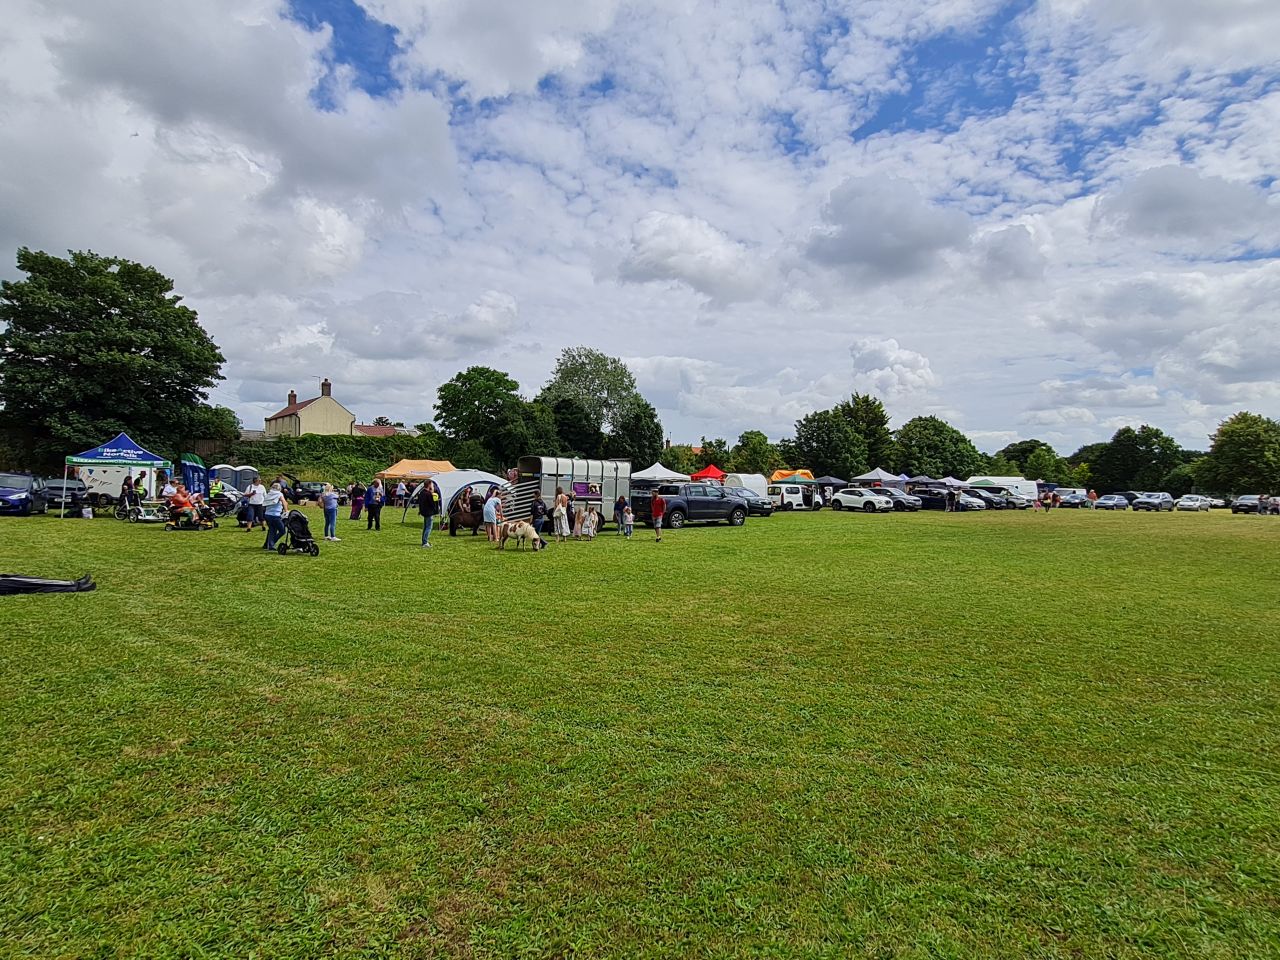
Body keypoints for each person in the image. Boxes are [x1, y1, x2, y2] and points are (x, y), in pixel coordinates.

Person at [262, 481, 287, 550]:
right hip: (275, 515)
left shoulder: (269, 494)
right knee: (282, 531)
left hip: (267, 514)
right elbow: (284, 502)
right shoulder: (279, 494)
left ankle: (267, 544)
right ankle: (271, 543)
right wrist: (286, 510)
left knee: (272, 530)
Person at [417, 481, 440, 547]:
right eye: (432, 485)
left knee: (425, 527)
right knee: (429, 527)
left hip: (424, 512)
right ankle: (425, 542)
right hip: (429, 512)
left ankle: (424, 541)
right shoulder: (429, 494)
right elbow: (432, 504)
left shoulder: (422, 493)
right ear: (429, 485)